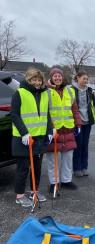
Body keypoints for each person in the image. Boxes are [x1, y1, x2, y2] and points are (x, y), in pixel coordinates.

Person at [11, 68, 53, 207]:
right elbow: (15, 115)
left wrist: (49, 130)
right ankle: (20, 195)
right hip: (23, 138)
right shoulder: (20, 93)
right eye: (34, 79)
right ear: (29, 80)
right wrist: (24, 133)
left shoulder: (45, 94)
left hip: (39, 138)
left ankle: (34, 191)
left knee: (37, 167)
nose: (37, 82)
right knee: (23, 168)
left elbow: (46, 114)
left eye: (39, 80)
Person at [46, 68, 82, 193]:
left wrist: (78, 124)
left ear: (62, 77)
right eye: (55, 76)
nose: (57, 78)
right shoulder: (47, 91)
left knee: (68, 157)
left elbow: (75, 109)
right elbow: (44, 112)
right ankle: (54, 182)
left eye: (59, 76)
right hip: (54, 130)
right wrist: (49, 128)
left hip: (67, 128)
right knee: (53, 159)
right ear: (51, 78)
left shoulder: (70, 90)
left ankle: (66, 180)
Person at [71, 70, 95, 177]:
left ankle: (84, 167)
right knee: (78, 145)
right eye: (83, 78)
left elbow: (92, 106)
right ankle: (77, 168)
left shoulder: (90, 91)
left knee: (85, 145)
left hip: (87, 122)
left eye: (87, 79)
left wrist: (92, 118)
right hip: (77, 123)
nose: (85, 81)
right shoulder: (71, 90)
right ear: (77, 78)